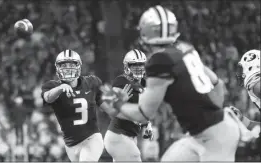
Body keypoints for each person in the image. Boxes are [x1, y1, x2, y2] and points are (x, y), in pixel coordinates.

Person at [100, 5, 244, 161]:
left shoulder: (159, 61)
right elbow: (218, 84)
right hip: (207, 132)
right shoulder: (185, 48)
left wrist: (118, 103)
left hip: (216, 138)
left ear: (144, 32)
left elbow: (142, 115)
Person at [41, 49, 117, 161]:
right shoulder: (52, 86)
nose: (67, 68)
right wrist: (60, 88)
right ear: (57, 68)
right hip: (70, 144)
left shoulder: (91, 83)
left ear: (79, 66)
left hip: (92, 138)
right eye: (63, 65)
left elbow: (108, 109)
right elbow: (48, 97)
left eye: (71, 64)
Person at [104, 49, 153, 161]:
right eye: (135, 65)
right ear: (127, 67)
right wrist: (119, 101)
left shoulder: (145, 84)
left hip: (131, 136)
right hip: (118, 135)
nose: (139, 67)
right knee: (135, 157)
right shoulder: (122, 81)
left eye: (141, 64)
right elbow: (108, 107)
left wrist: (146, 125)